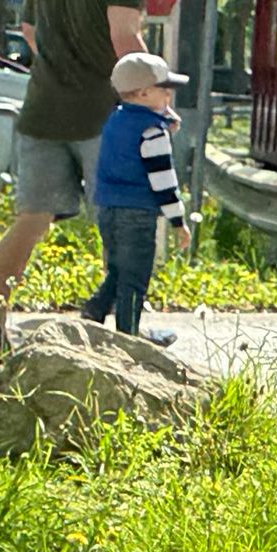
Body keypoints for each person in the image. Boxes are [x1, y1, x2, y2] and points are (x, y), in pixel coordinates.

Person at [0, 0, 155, 361]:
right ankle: (120, 331)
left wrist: (61, 60)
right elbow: (125, 41)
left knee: (31, 218)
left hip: (42, 109)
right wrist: (154, 95)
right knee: (119, 218)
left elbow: (30, 32)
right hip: (104, 116)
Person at [86, 51, 188, 341]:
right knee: (135, 276)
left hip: (108, 207)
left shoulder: (114, 121)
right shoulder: (153, 132)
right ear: (144, 93)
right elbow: (162, 180)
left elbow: (130, 151)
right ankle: (129, 336)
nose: (169, 95)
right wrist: (178, 220)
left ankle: (94, 311)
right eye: (164, 89)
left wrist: (163, 125)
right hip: (139, 212)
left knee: (118, 268)